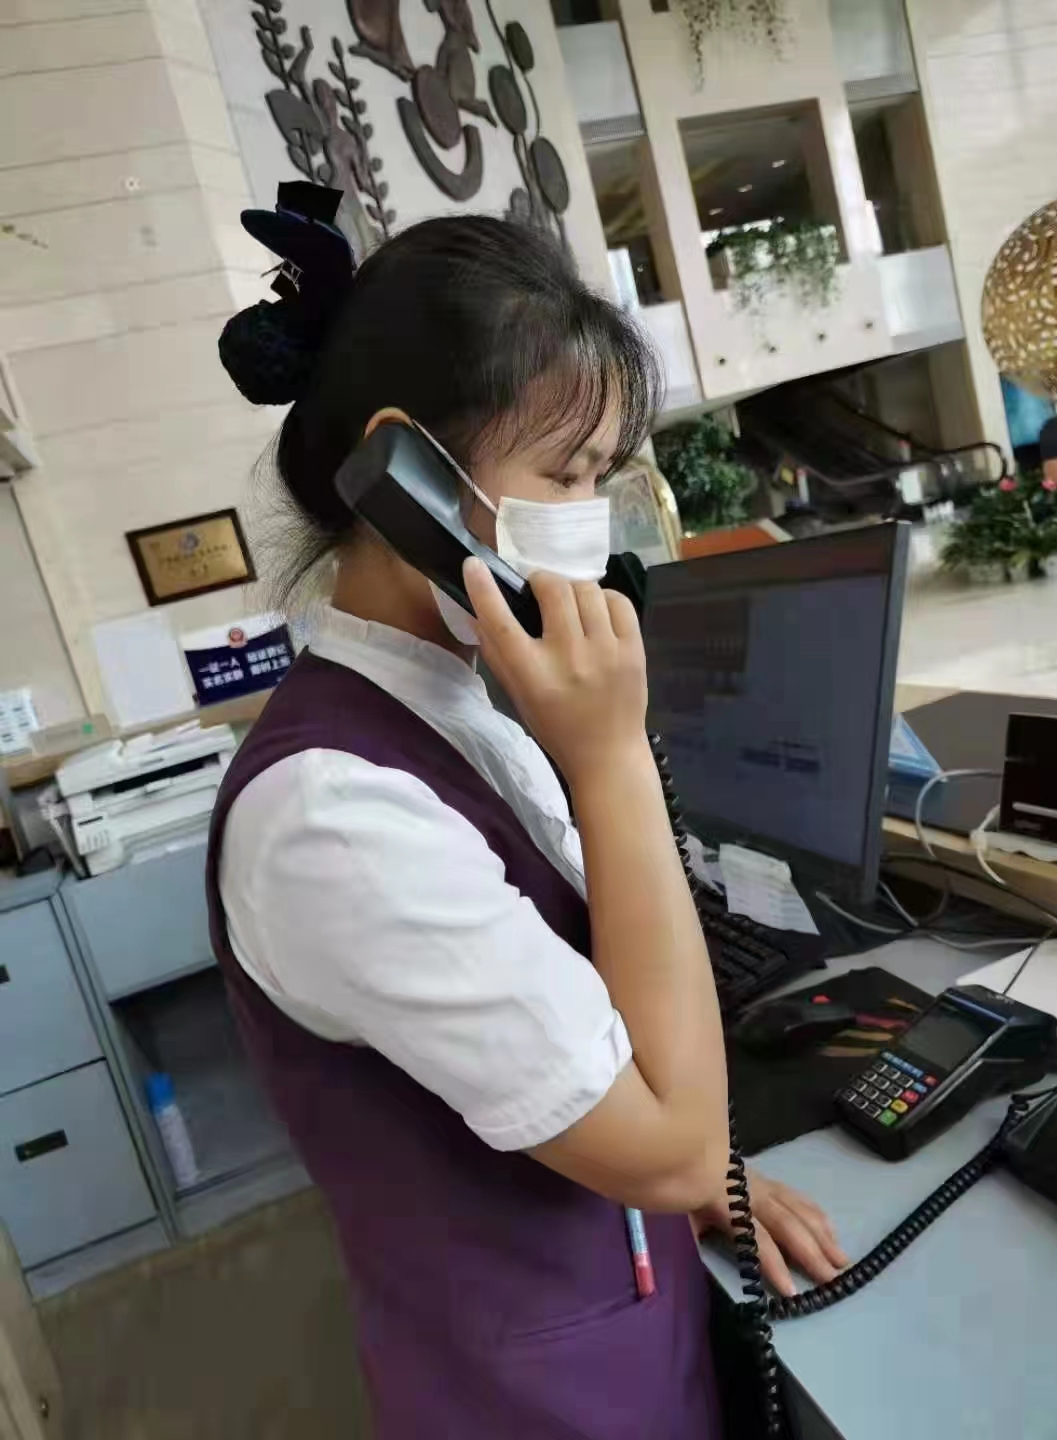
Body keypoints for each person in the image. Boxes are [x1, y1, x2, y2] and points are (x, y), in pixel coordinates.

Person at [209, 187, 847, 1439]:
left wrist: (706, 1185)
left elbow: (605, 1050)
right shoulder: (331, 816)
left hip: (630, 1319)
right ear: (406, 475)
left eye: (600, 476)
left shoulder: (466, 705)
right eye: (564, 472)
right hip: (538, 1403)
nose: (589, 519)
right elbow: (669, 1143)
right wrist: (611, 756)